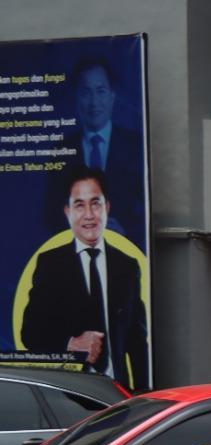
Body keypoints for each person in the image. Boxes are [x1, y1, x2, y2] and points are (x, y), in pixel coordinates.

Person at [19, 165, 148, 390]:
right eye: (79, 205)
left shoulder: (127, 266)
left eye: (95, 203)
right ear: (67, 212)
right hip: (69, 393)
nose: (89, 214)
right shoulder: (51, 264)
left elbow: (137, 342)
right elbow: (30, 333)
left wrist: (142, 395)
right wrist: (70, 343)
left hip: (117, 392)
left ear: (107, 208)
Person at [68, 56, 144, 243]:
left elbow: (146, 209)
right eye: (86, 92)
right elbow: (49, 214)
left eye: (100, 91)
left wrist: (125, 232)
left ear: (112, 96)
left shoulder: (136, 145)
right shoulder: (61, 150)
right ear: (76, 97)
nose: (94, 102)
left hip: (126, 247)